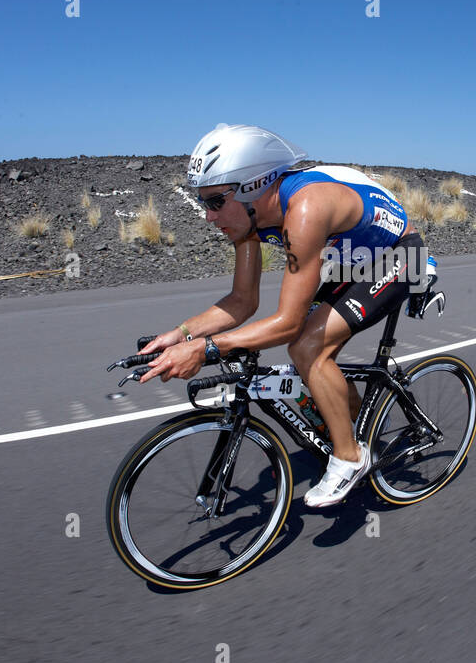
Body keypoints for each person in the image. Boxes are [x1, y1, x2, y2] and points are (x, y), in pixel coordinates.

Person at [137, 124, 428, 508]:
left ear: (254, 186)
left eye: (215, 202)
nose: (208, 216)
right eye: (202, 202)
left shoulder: (306, 209)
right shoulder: (249, 222)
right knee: (303, 349)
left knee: (306, 346)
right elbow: (242, 302)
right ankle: (358, 424)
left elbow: (287, 321)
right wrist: (182, 334)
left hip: (400, 258)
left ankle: (350, 457)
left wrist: (205, 350)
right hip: (348, 262)